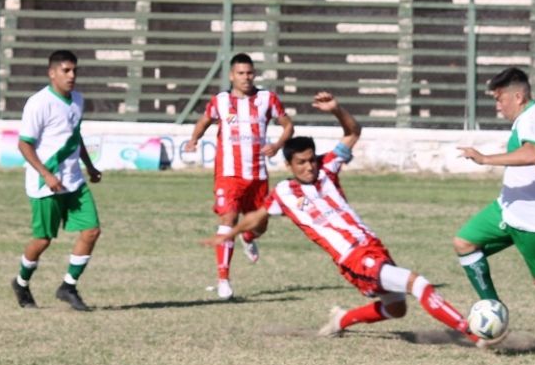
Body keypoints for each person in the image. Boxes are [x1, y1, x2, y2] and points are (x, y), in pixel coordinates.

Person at [202, 92, 482, 346]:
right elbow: (256, 217)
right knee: (419, 284)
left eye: (311, 159)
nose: (309, 167)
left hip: (372, 246)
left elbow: (353, 132)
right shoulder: (284, 193)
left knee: (397, 308)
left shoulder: (328, 167)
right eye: (301, 162)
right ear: (289, 165)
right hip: (353, 257)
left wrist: (337, 110)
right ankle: (473, 334)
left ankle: (341, 320)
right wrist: (230, 233)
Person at [455, 67, 535, 349]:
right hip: (508, 208)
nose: (497, 106)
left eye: (499, 99)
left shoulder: (532, 119)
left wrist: (484, 159)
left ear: (517, 97)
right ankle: (493, 310)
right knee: (464, 242)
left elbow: (532, 153)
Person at [185, 53, 294, 300]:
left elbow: (288, 125)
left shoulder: (267, 99)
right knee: (229, 217)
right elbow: (204, 121)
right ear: (231, 76)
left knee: (260, 224)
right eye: (241, 73)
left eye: (249, 73)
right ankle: (223, 279)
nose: (246, 77)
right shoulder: (220, 101)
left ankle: (248, 236)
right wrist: (193, 140)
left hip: (257, 175)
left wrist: (277, 145)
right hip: (228, 174)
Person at [11, 50, 102, 312]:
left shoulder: (78, 100)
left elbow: (75, 136)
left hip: (74, 181)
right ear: (52, 73)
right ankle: (21, 282)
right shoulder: (39, 103)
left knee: (92, 230)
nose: (72, 75)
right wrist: (46, 174)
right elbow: (24, 144)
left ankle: (68, 286)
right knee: (43, 240)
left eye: (75, 70)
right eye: (66, 70)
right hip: (45, 185)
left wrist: (89, 166)